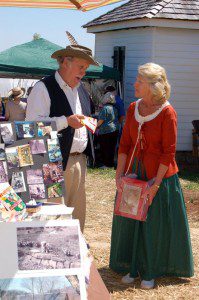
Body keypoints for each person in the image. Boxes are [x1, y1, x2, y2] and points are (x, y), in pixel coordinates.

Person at [110, 63, 194, 289]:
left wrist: (155, 185)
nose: (134, 84)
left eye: (139, 81)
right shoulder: (132, 108)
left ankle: (151, 270)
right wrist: (119, 176)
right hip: (135, 172)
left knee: (153, 224)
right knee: (130, 219)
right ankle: (132, 266)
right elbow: (125, 144)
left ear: (153, 86)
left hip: (160, 176)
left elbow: (168, 152)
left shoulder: (168, 112)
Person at [26, 44, 99, 232]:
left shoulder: (81, 89)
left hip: (78, 160)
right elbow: (32, 127)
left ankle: (76, 255)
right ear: (66, 62)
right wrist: (65, 121)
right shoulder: (43, 87)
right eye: (81, 67)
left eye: (86, 69)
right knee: (53, 214)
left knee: (77, 214)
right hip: (51, 161)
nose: (84, 72)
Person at [97, 92, 120, 168]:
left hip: (105, 131)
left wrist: (95, 126)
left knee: (105, 148)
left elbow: (101, 121)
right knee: (112, 148)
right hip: (115, 130)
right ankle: (110, 164)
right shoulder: (115, 108)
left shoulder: (105, 108)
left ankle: (105, 164)